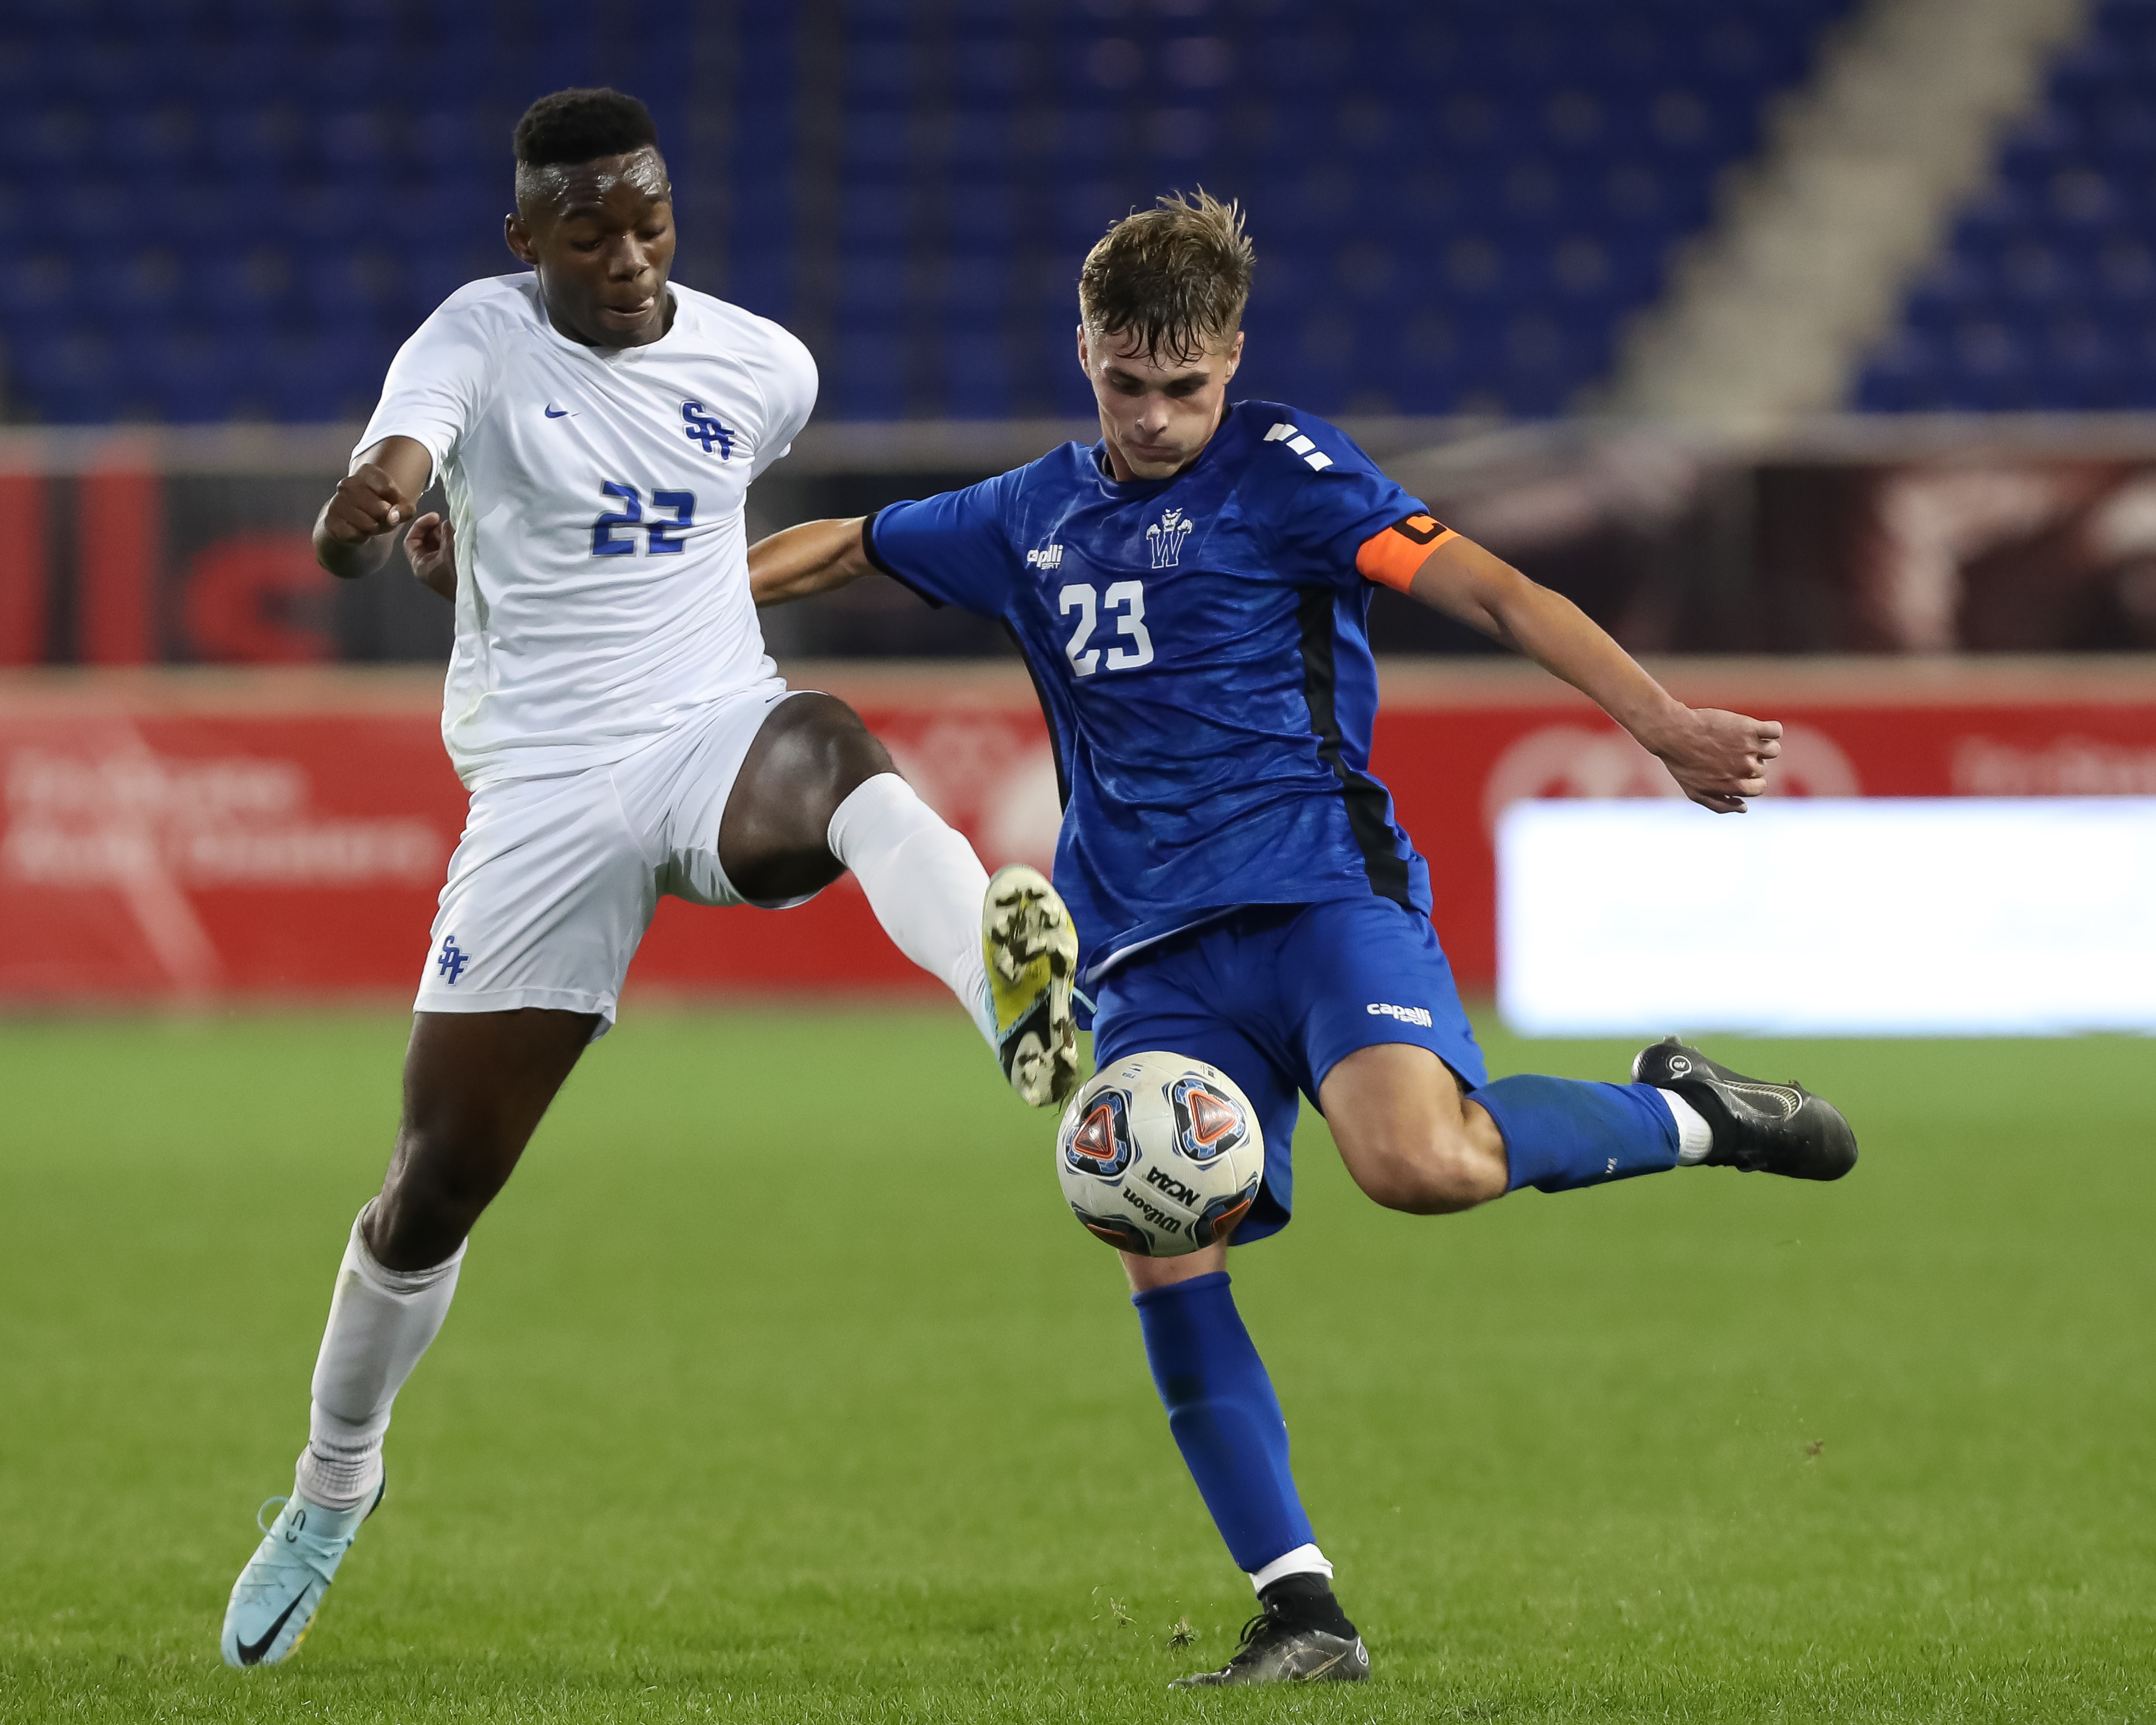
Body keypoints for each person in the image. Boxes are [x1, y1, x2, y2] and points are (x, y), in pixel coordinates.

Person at [748, 190, 1858, 1689]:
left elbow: (1492, 585)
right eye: (1127, 385)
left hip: (1324, 898)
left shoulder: (1285, 472)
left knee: (1421, 1166)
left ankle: (1691, 1112)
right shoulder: (1026, 516)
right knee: (1157, 1231)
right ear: (1084, 351)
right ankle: (1301, 1609)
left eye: (1185, 388)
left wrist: (1657, 721)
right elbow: (833, 550)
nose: (1154, 418)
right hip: (1148, 957)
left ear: (1232, 360)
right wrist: (641, 613)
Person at [217, 87, 1081, 1670]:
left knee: (829, 747)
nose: (628, 252)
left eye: (650, 217)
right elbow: (401, 477)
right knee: (433, 1190)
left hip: (709, 732)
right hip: (542, 791)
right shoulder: (472, 340)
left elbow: (671, 537)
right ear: (526, 237)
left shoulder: (763, 368)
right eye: (591, 226)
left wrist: (465, 540)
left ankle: (1016, 999)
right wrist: (379, 518)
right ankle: (334, 1483)